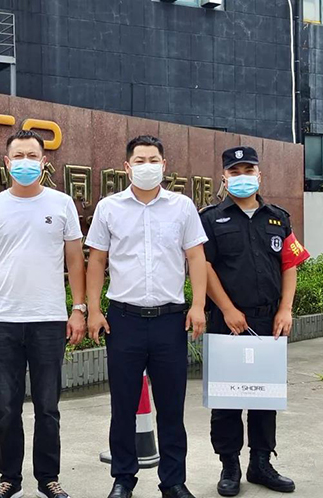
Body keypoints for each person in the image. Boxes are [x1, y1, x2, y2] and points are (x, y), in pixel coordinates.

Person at [0, 129, 88, 498]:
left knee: (48, 407)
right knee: (7, 407)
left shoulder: (62, 204)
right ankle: (9, 479)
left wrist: (78, 309)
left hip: (48, 319)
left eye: (33, 156)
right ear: (7, 162)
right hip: (4, 321)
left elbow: (75, 260)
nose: (26, 162)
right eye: (19, 156)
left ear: (44, 162)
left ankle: (48, 478)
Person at [86, 135, 209, 498]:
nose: (147, 166)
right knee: (122, 406)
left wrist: (198, 305)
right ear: (127, 167)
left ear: (164, 165)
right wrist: (93, 310)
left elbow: (196, 257)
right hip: (123, 320)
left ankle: (173, 481)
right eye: (139, 161)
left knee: (171, 408)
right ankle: (123, 479)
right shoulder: (109, 208)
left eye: (153, 160)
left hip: (170, 320)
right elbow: (97, 260)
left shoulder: (182, 207)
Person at [199, 146, 309, 497]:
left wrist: (285, 309)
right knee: (227, 400)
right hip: (227, 322)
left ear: (259, 175)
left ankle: (261, 463)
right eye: (235, 172)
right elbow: (204, 267)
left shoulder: (278, 218)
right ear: (224, 177)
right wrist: (227, 309)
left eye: (249, 170)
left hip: (268, 321)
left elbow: (290, 264)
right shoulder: (211, 219)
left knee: (266, 397)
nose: (242, 177)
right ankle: (229, 465)